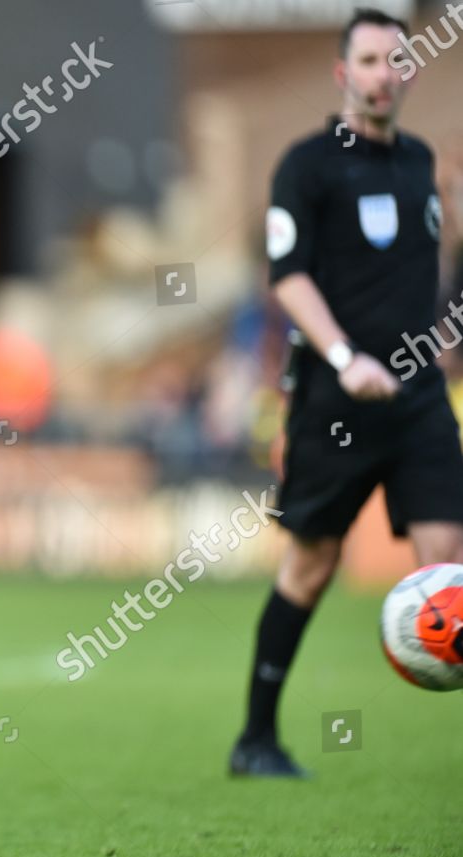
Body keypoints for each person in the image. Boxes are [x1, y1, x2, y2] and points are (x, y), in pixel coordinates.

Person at [232, 9, 463, 777]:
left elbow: (422, 273)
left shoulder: (421, 160)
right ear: (343, 74)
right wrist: (345, 356)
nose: (383, 74)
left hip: (421, 398)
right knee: (312, 566)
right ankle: (256, 737)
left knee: (448, 569)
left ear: (411, 71)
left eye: (396, 61)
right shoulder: (307, 165)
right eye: (368, 60)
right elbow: (289, 278)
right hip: (336, 402)